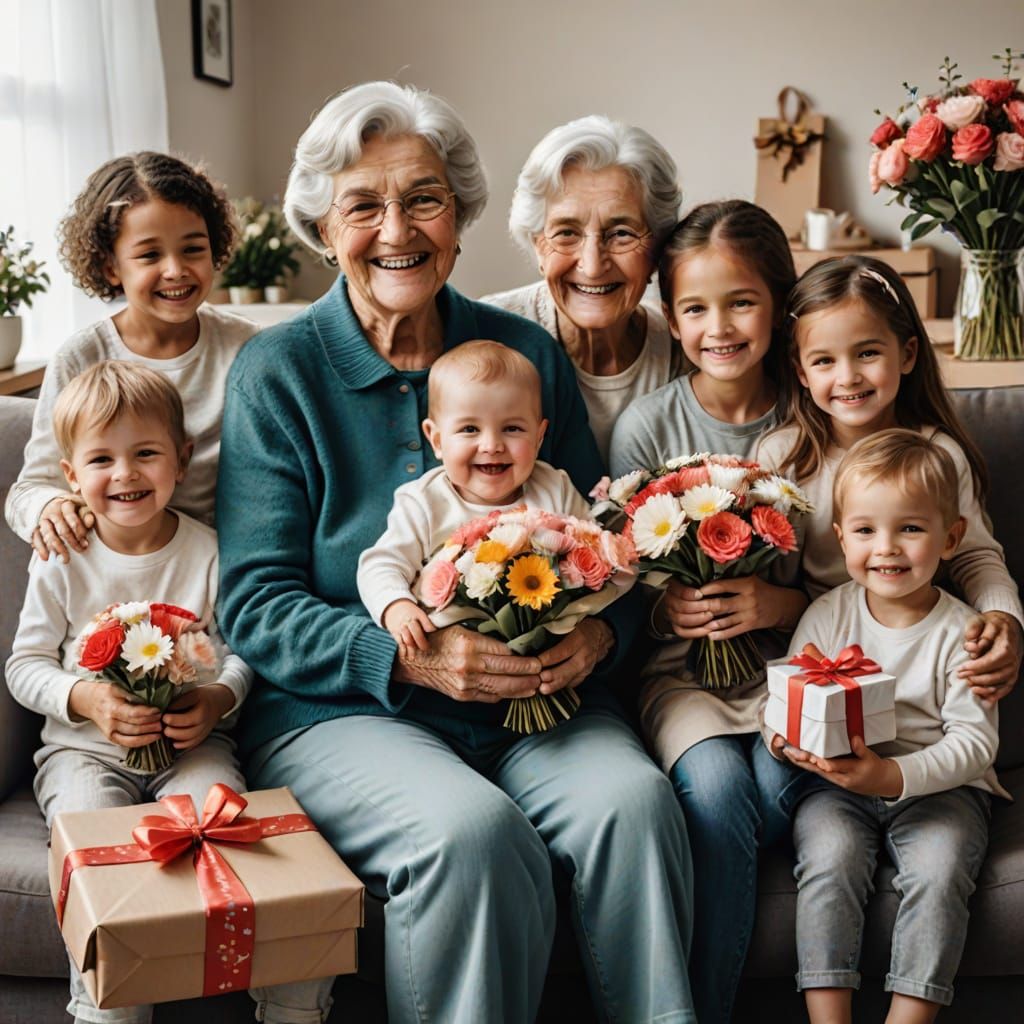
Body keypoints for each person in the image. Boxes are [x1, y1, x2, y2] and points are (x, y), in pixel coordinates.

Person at [216, 81, 694, 1024]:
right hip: (343, 711)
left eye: (423, 198)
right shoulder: (280, 372)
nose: (397, 228)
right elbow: (255, 602)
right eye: (364, 204)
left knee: (635, 808)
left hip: (542, 697)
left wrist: (597, 642)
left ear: (463, 215)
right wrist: (408, 652)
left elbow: (610, 540)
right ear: (323, 225)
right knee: (469, 836)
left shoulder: (522, 351)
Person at [608, 199, 810, 1023]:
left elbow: (851, 575)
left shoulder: (811, 420)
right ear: (669, 316)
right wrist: (667, 615)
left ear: (780, 307)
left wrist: (780, 600)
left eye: (742, 302)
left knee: (778, 782)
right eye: (695, 307)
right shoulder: (648, 425)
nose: (718, 326)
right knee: (722, 796)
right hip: (682, 678)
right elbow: (619, 579)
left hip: (793, 668)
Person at [5, 361, 251, 1024]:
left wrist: (216, 702)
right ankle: (108, 1009)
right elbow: (24, 665)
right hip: (83, 754)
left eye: (146, 454)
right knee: (100, 860)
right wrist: (86, 700)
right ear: (71, 475)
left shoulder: (208, 552)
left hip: (189, 750)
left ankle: (287, 996)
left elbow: (240, 655)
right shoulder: (62, 555)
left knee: (225, 832)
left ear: (183, 458)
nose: (125, 475)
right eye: (102, 460)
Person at [770, 429, 1008, 1024]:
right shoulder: (829, 613)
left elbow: (976, 743)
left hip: (941, 789)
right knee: (828, 859)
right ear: (840, 537)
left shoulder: (964, 632)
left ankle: (910, 1016)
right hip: (838, 787)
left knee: (941, 866)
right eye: (867, 530)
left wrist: (893, 774)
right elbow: (785, 695)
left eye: (910, 528)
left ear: (951, 538)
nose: (887, 549)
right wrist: (780, 735)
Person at [757, 255, 1023, 701]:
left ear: (908, 354)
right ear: (801, 372)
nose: (848, 376)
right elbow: (776, 577)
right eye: (824, 360)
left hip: (917, 647)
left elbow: (976, 556)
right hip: (820, 647)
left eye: (867, 352)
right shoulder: (783, 457)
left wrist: (1005, 619)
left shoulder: (939, 453)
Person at [4, 151, 258, 562]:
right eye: (149, 256)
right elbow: (30, 488)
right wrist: (48, 508)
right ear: (110, 268)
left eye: (193, 249)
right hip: (116, 568)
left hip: (217, 564)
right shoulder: (82, 355)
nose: (175, 270)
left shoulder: (247, 345)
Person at [358, 340, 594, 650]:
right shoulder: (423, 502)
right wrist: (396, 607)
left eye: (512, 428)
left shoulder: (554, 488)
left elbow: (595, 546)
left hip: (541, 654)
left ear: (539, 437)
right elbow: (381, 565)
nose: (492, 445)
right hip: (448, 656)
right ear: (437, 439)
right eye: (470, 429)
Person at [482, 115, 687, 461]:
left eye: (621, 233)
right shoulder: (487, 335)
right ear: (537, 245)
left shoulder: (688, 347)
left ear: (657, 249)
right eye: (567, 232)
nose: (592, 265)